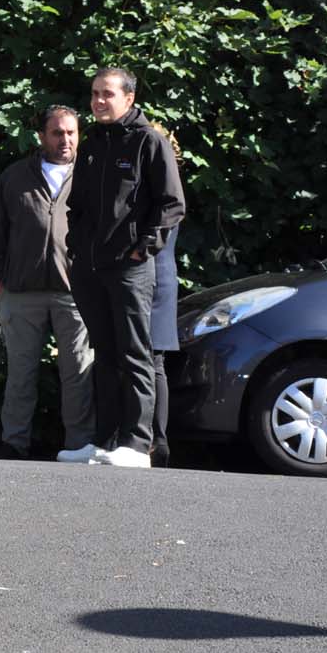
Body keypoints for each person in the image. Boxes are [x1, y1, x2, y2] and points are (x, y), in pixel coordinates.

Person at [63, 66, 186, 469]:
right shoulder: (94, 142)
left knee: (136, 354)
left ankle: (137, 443)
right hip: (91, 268)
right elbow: (76, 205)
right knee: (106, 354)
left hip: (131, 268)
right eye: (95, 93)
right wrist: (76, 248)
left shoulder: (149, 141)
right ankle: (105, 441)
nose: (99, 101)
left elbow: (171, 205)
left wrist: (142, 249)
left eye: (108, 94)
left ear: (129, 98)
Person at [0, 105, 95, 460]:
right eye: (58, 133)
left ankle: (80, 444)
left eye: (72, 133)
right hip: (21, 293)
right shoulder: (15, 177)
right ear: (42, 136)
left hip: (76, 293)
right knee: (20, 373)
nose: (65, 140)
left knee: (78, 373)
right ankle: (14, 443)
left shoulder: (92, 175)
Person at [149, 123, 183, 468]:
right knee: (152, 363)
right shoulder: (168, 185)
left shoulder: (159, 188)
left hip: (151, 277)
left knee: (149, 362)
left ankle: (154, 440)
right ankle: (155, 439)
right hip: (163, 277)